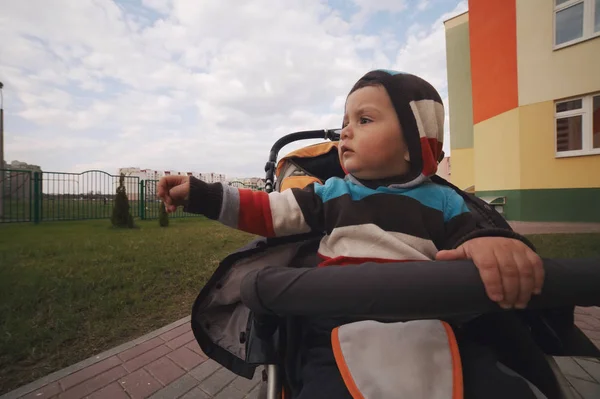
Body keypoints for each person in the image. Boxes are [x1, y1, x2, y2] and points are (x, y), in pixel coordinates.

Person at [158, 70, 545, 398]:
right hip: (336, 322)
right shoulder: (330, 195)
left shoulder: (445, 202)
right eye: (345, 121)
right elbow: (269, 211)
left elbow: (475, 231)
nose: (345, 132)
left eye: (364, 120)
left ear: (413, 143)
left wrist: (493, 243)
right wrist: (202, 195)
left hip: (431, 322)